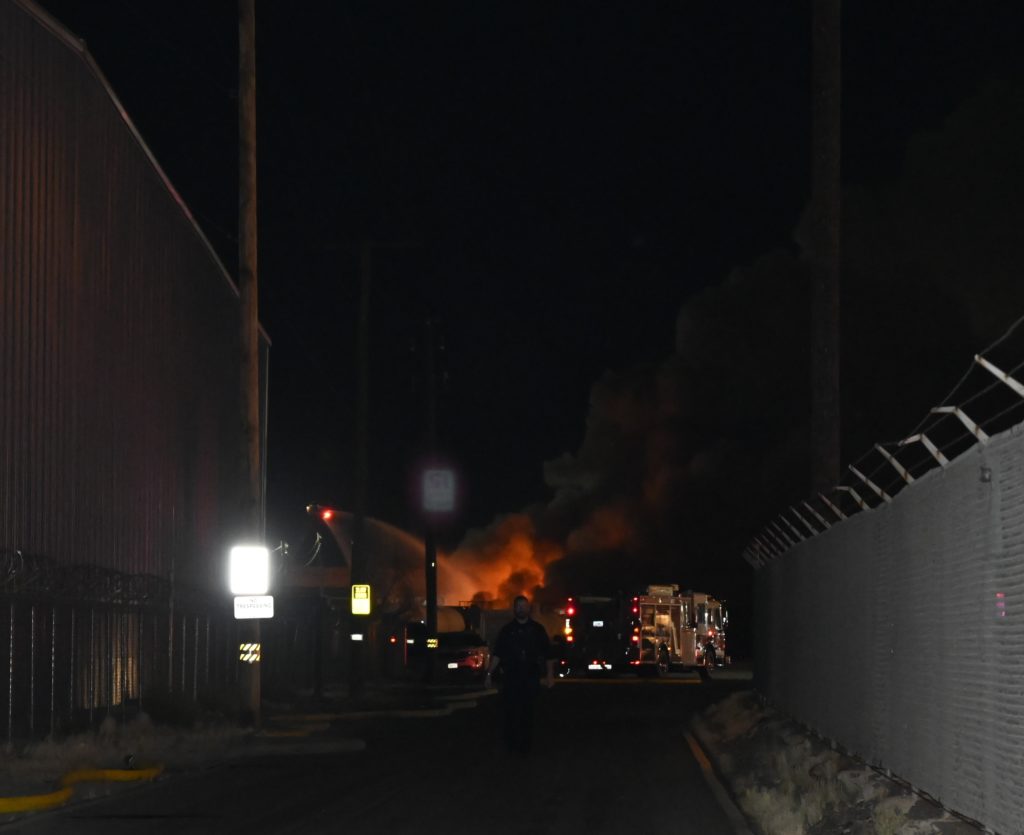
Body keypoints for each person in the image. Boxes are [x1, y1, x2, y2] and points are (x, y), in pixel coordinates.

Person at [484, 595, 555, 754]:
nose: (521, 609)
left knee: (527, 712)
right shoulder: (507, 631)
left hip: (530, 677)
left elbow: (548, 654)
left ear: (529, 608)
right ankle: (511, 745)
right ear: (514, 609)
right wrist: (489, 674)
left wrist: (550, 675)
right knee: (510, 712)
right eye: (518, 606)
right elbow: (498, 654)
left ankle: (525, 746)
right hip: (511, 677)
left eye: (524, 606)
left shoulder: (537, 630)